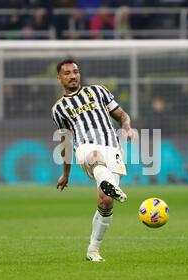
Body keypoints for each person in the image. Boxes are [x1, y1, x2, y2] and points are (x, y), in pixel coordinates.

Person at [51, 59, 135, 262]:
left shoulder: (99, 91)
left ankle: (93, 250)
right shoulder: (59, 108)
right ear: (59, 78)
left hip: (112, 149)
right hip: (86, 148)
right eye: (68, 73)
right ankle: (107, 182)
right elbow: (65, 141)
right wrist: (66, 174)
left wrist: (127, 127)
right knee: (94, 156)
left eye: (76, 72)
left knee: (105, 202)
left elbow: (122, 115)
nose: (73, 76)